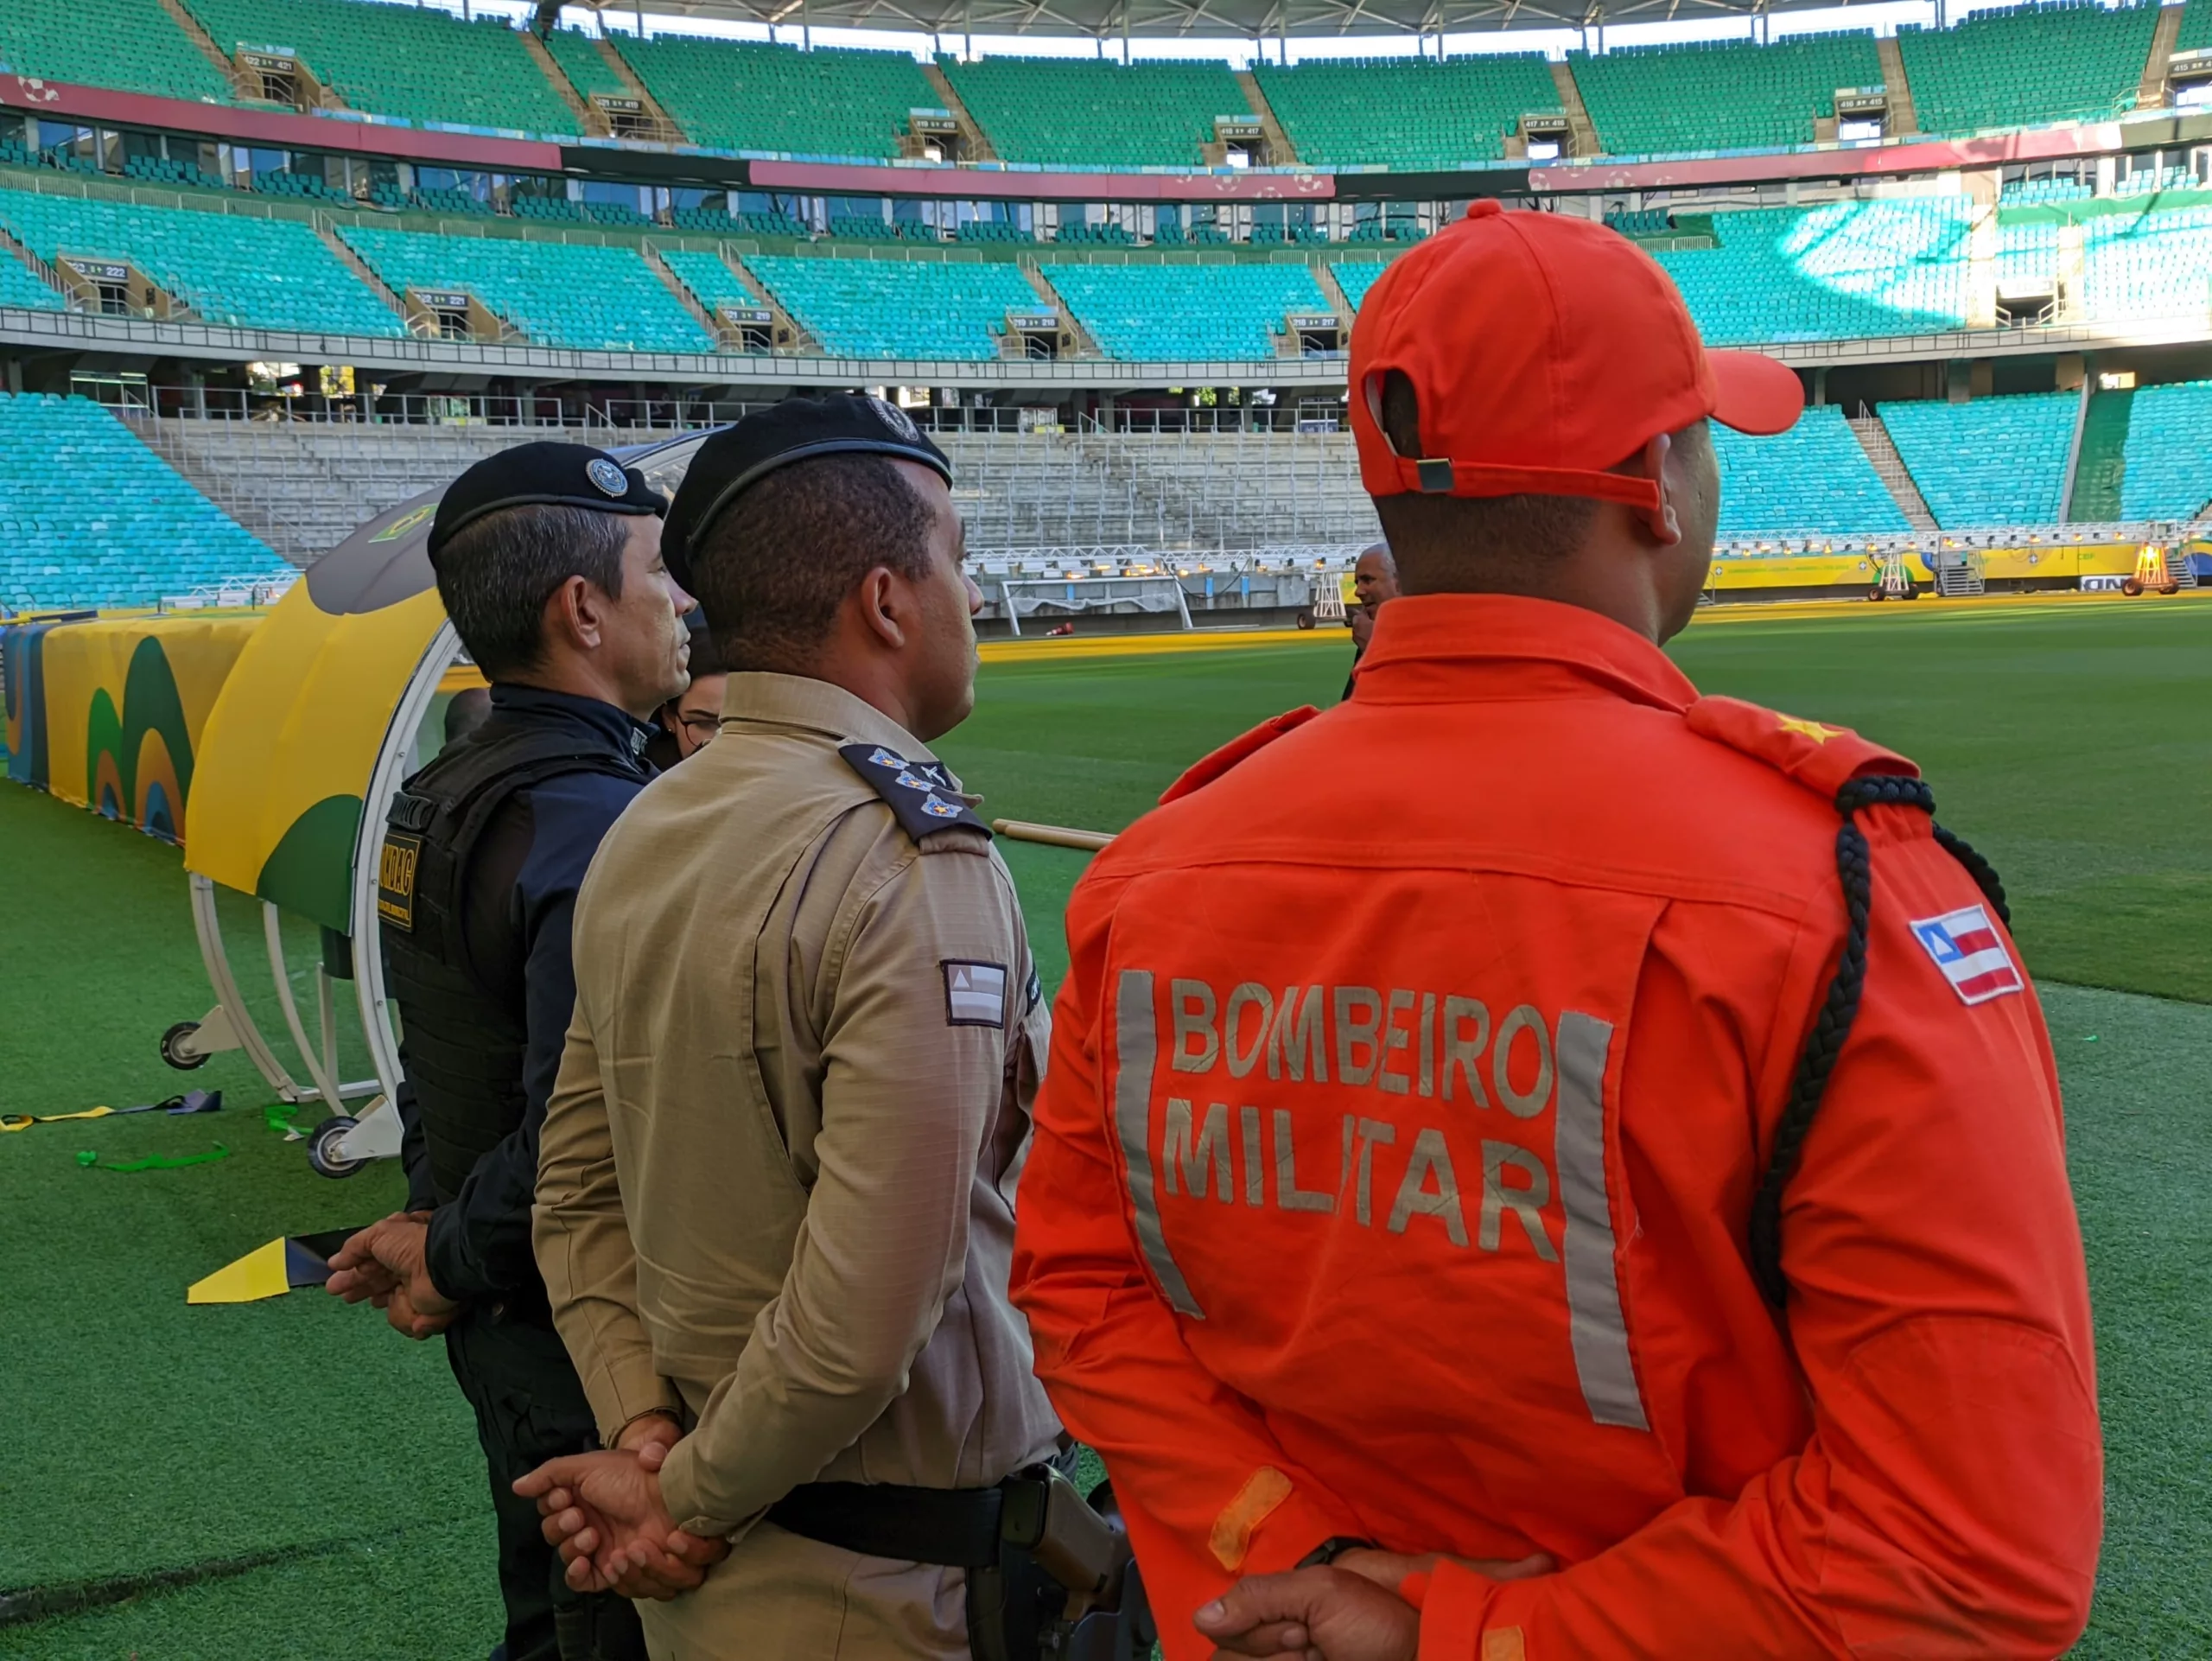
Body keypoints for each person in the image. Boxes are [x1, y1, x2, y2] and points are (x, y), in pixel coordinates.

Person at [1008, 202, 2102, 1661]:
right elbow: (1971, 1547)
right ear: (1656, 478)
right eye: (1704, 439)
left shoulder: (1158, 871)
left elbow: (1080, 1289)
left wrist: (1300, 1558)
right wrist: (1475, 1633)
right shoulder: (1838, 896)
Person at [514, 396, 1065, 1661]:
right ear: (886, 600)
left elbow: (575, 1193)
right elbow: (869, 1305)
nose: (970, 599)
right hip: (889, 1585)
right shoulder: (908, 857)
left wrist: (646, 1431)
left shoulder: (650, 821)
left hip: (723, 1577)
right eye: (957, 562)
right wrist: (683, 1497)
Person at [325, 441, 694, 1661]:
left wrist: (435, 1225)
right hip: (587, 1330)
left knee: (545, 1612)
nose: (683, 597)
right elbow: (589, 1132)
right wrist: (451, 1250)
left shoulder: (441, 791)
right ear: (582, 609)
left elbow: (435, 1059)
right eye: (659, 570)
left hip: (498, 1307)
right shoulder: (599, 822)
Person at [642, 611, 729, 771]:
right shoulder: (640, 789)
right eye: (705, 723)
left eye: (741, 725)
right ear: (669, 718)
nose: (720, 743)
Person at [1343, 543, 1398, 701]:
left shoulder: (1431, 636)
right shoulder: (1372, 630)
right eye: (1357, 582)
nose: (1358, 591)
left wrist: (1374, 648)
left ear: (1399, 581)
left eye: (1367, 580)